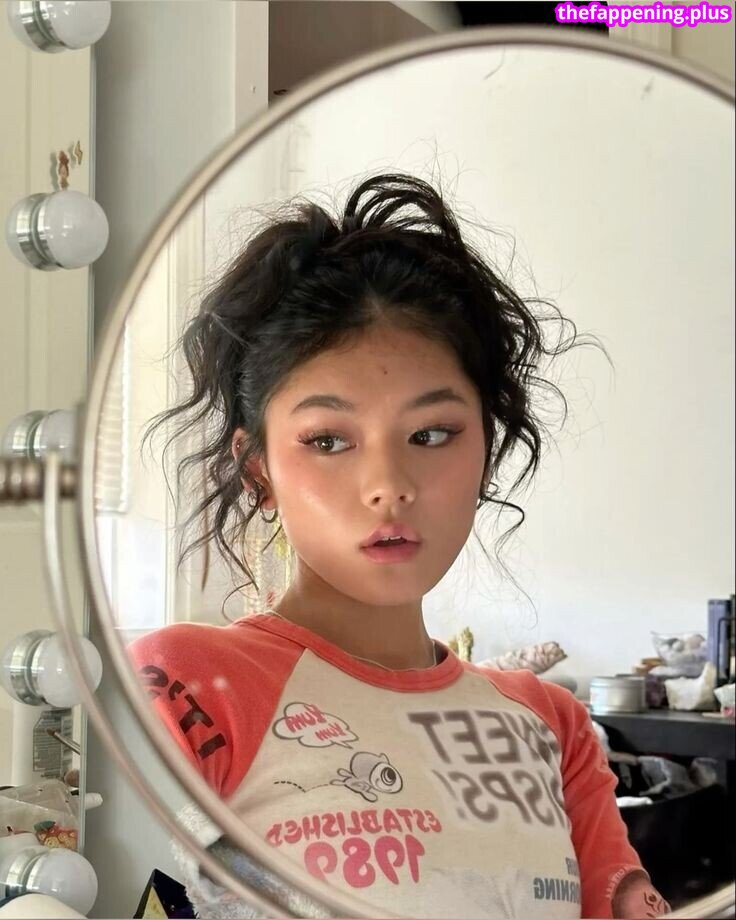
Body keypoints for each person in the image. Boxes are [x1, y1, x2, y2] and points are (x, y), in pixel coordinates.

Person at [129, 173, 670, 919]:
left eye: (432, 434)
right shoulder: (186, 685)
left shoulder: (553, 724)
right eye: (328, 441)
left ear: (486, 451)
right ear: (259, 472)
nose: (388, 486)